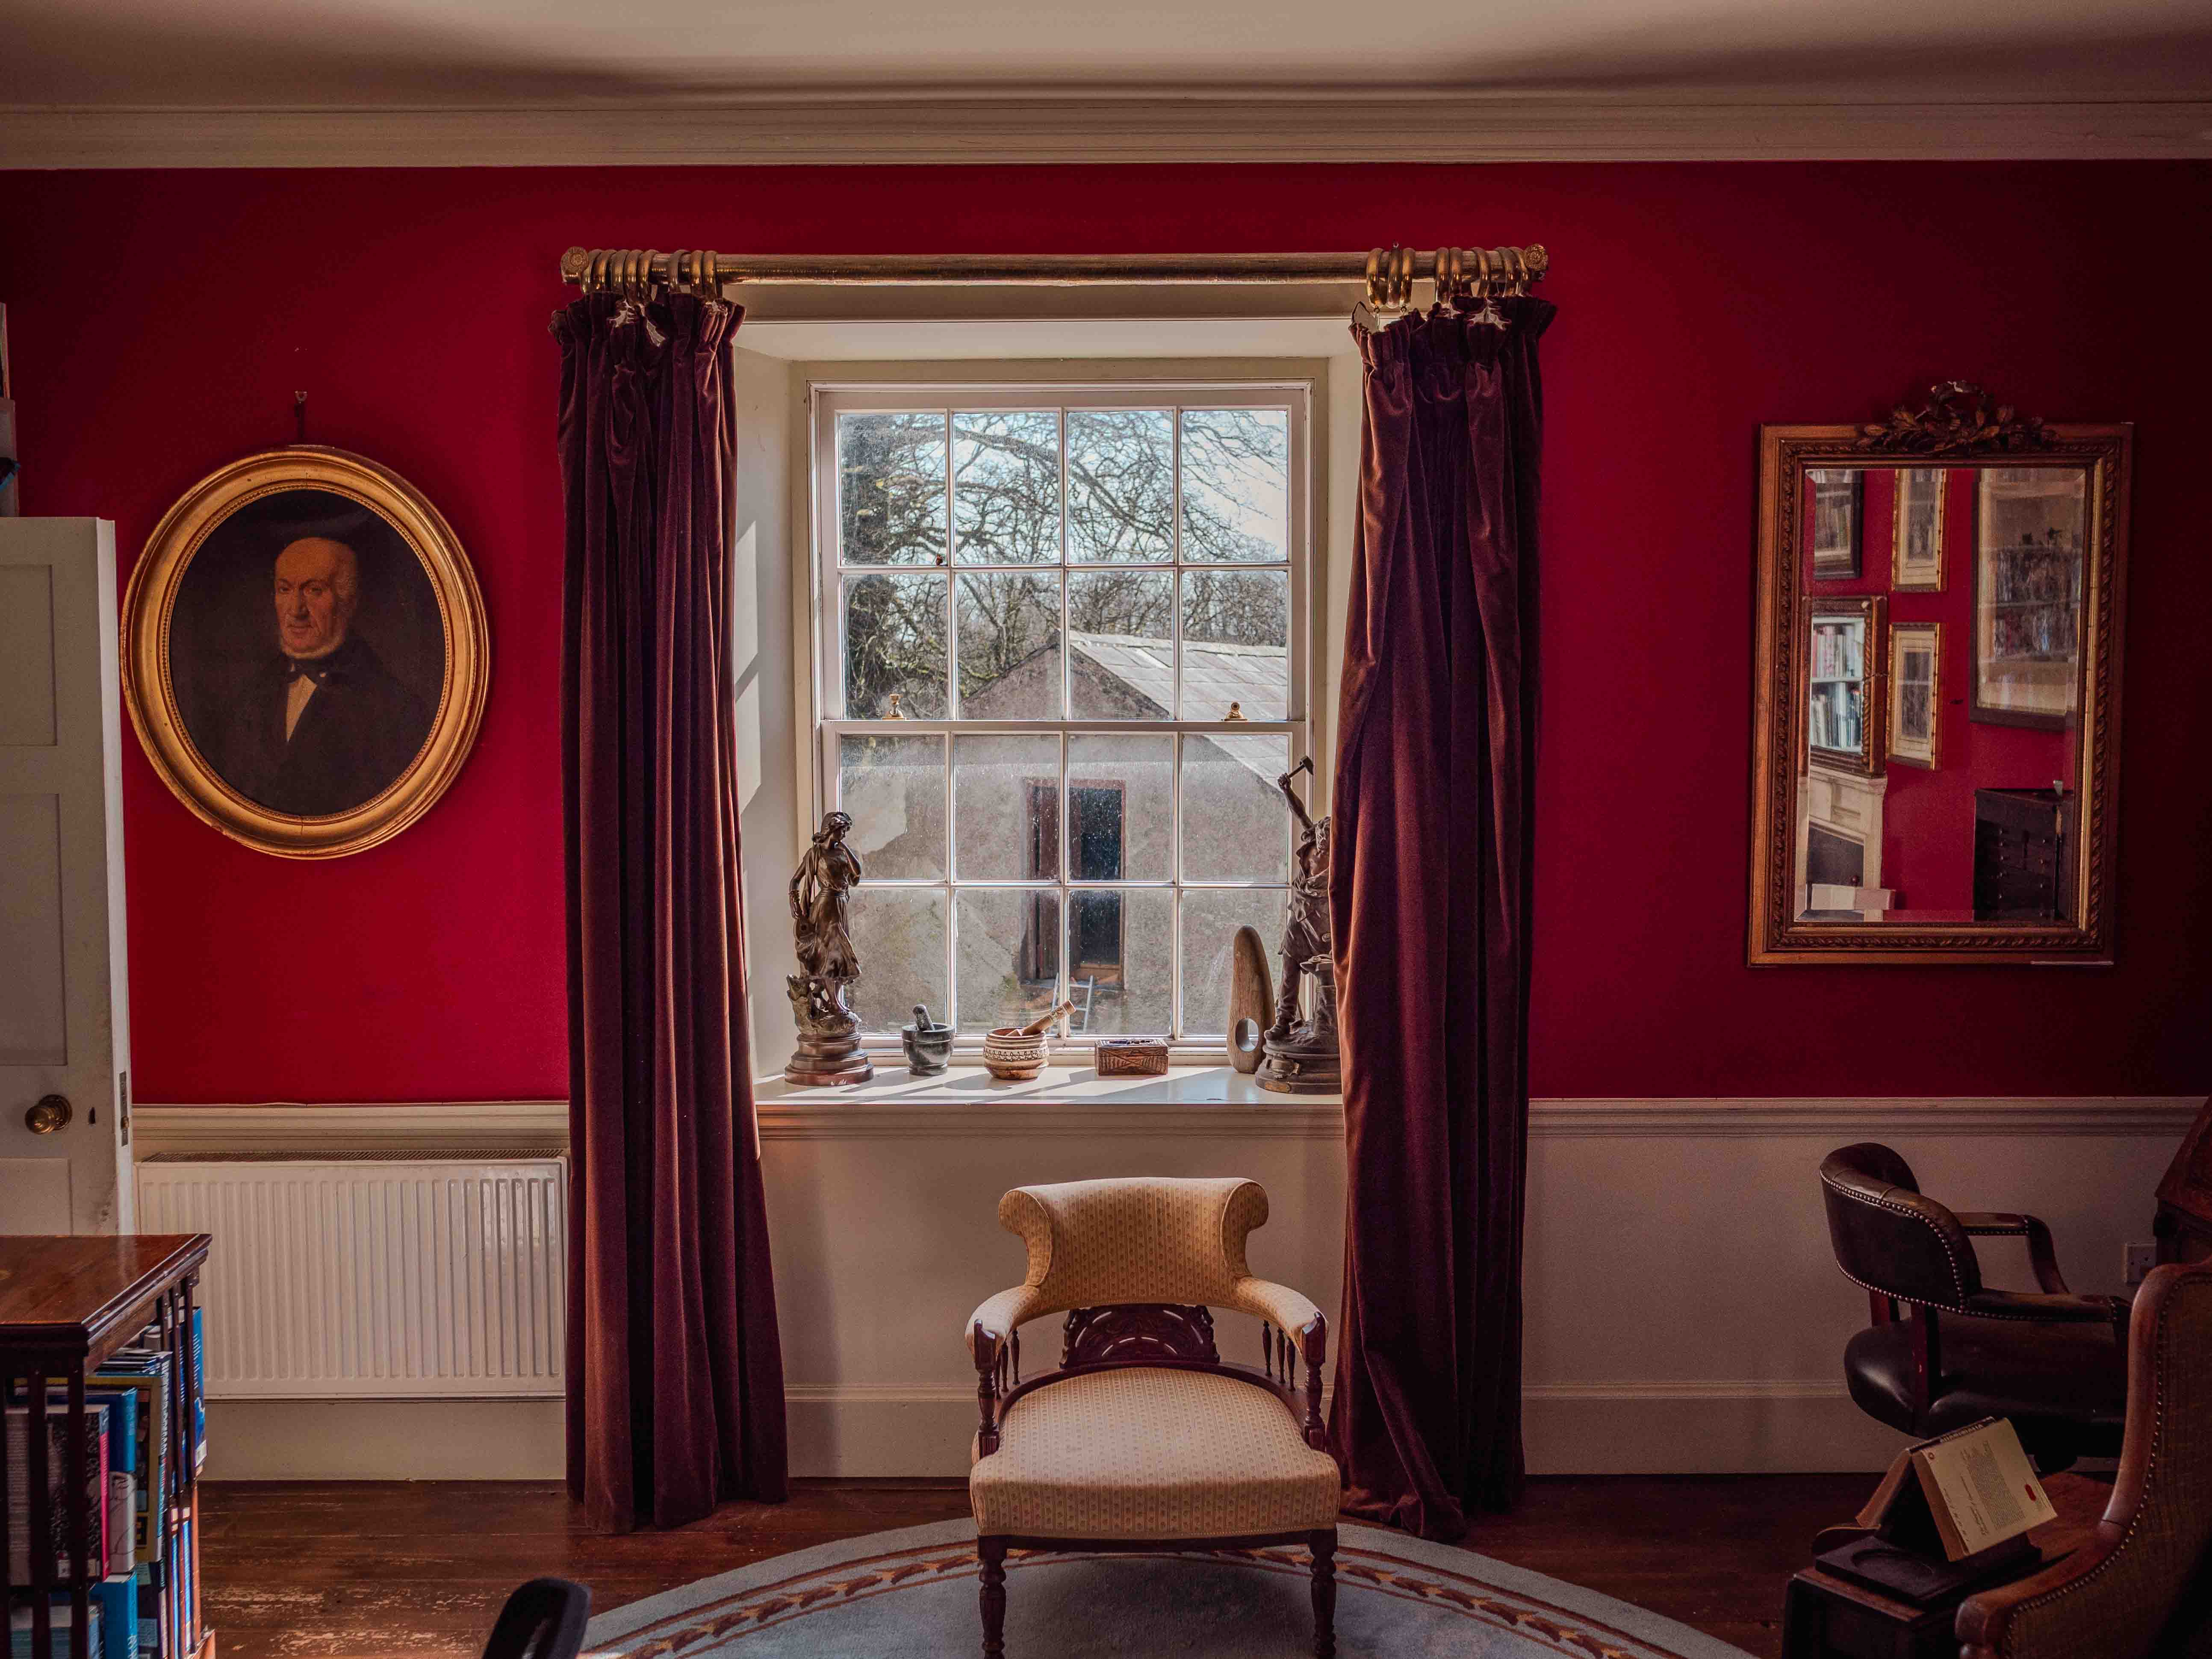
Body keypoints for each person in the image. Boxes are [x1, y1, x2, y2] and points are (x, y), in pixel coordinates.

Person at [207, 536, 432, 816]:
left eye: (314, 590)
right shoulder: (251, 695)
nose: (296, 610)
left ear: (347, 601)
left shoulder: (394, 709)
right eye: (285, 589)